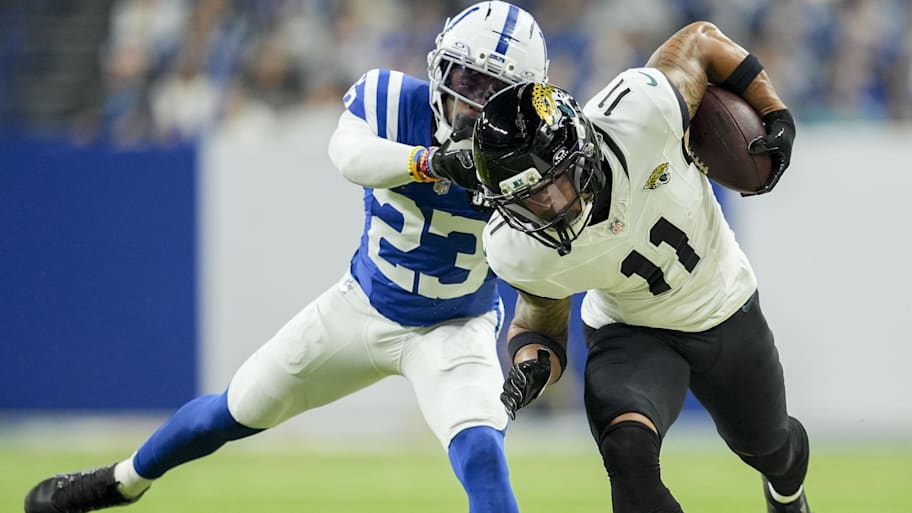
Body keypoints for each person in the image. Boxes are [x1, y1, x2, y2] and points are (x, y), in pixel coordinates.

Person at [23, 3, 548, 513]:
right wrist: (430, 162)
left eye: (494, 90)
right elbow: (349, 155)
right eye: (467, 78)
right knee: (232, 410)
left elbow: (554, 252)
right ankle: (122, 481)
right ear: (442, 68)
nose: (473, 101)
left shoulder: (537, 159)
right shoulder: (392, 100)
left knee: (482, 453)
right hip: (361, 306)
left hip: (457, 327)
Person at [472, 21, 808, 513]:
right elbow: (540, 322)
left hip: (722, 304)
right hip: (630, 331)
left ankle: (787, 495)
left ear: (579, 152)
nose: (547, 208)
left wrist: (774, 110)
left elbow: (701, 41)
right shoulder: (519, 247)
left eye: (552, 185)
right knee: (627, 454)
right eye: (527, 201)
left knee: (771, 449)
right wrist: (532, 361)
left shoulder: (640, 113)